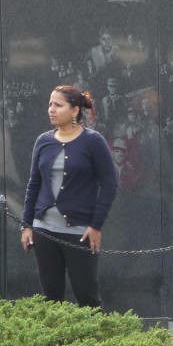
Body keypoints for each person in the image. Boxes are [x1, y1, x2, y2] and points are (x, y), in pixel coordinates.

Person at [21, 85, 118, 307]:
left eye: (58, 105)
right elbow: (34, 184)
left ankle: (94, 341)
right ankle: (55, 342)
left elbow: (110, 184)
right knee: (50, 296)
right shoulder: (43, 141)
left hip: (80, 232)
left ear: (74, 111)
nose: (51, 110)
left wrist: (96, 225)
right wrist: (27, 225)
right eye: (49, 104)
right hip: (44, 229)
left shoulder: (93, 141)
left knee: (87, 295)